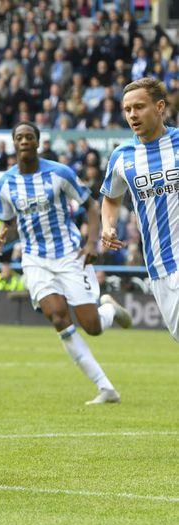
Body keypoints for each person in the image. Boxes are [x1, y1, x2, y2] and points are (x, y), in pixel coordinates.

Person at [0, 121, 132, 405]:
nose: (23, 142)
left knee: (91, 325)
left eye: (28, 137)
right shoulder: (5, 183)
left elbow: (90, 206)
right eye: (19, 137)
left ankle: (109, 310)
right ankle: (105, 388)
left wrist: (92, 243)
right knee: (58, 317)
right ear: (13, 143)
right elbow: (8, 217)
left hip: (70, 255)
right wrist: (3, 232)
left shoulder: (60, 173)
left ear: (37, 141)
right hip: (34, 259)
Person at [101, 77, 179, 343]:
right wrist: (108, 225)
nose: (132, 114)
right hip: (158, 266)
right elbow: (111, 198)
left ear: (159, 107)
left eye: (139, 107)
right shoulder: (122, 156)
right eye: (127, 109)